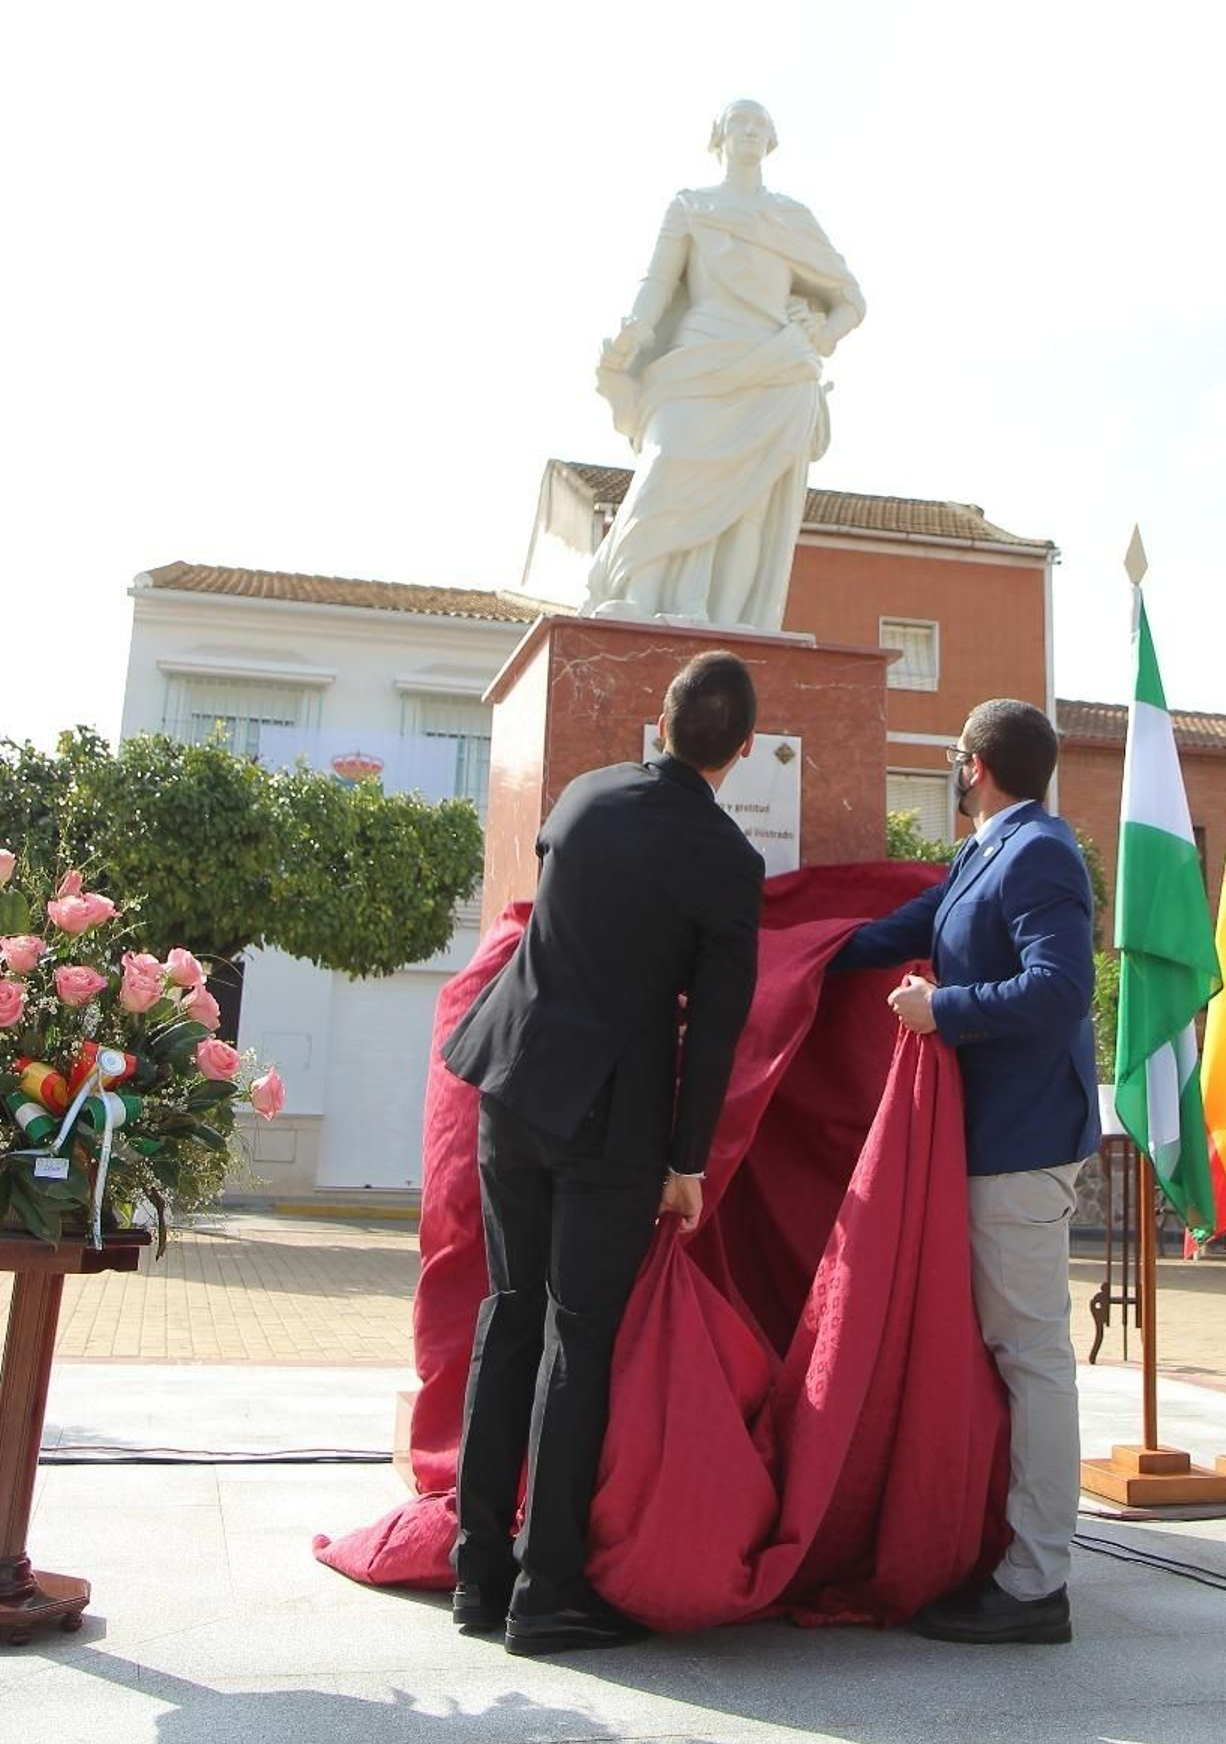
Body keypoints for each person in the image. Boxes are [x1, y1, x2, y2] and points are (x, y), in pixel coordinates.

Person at [443, 649, 765, 1655]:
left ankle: (474, 1572)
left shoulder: (582, 796)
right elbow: (712, 1028)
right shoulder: (729, 862)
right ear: (745, 750)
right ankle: (547, 1593)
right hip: (609, 1119)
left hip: (510, 1080)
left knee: (508, 1309)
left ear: (657, 723)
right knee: (575, 1341)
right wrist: (689, 1158)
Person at [832, 698, 1098, 1646]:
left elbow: (1064, 985)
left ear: (974, 764)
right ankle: (1016, 1553)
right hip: (990, 1139)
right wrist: (797, 953)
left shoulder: (1040, 852)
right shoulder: (988, 851)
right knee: (1013, 1351)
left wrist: (945, 1009)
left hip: (1022, 1141)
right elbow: (904, 924)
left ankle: (1037, 1585)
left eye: (954, 760)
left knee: (1032, 1356)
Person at [581, 98, 865, 632]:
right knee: (666, 468)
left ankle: (734, 624)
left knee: (747, 507)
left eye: (761, 124)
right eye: (741, 121)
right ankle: (639, 599)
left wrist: (824, 333)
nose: (751, 131)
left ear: (773, 139)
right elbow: (659, 282)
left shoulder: (791, 218)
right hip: (700, 355)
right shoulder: (691, 206)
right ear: (720, 136)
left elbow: (851, 296)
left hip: (778, 367)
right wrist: (636, 329)